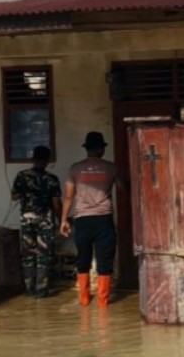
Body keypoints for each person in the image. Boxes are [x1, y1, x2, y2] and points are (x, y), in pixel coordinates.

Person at [59, 131, 119, 308]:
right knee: (105, 260)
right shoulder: (111, 168)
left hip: (82, 220)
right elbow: (123, 189)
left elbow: (68, 197)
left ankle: (84, 299)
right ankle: (103, 302)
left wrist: (64, 220)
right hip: (103, 219)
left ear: (87, 149)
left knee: (83, 258)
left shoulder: (75, 168)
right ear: (101, 149)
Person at [11, 145, 62, 297]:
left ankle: (29, 287)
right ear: (47, 160)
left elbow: (14, 196)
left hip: (27, 219)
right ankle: (41, 289)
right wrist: (62, 220)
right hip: (45, 220)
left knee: (28, 254)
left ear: (33, 158)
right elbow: (56, 202)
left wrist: (26, 193)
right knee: (44, 254)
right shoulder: (51, 179)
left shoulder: (21, 176)